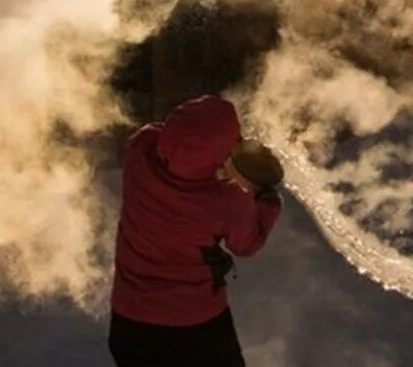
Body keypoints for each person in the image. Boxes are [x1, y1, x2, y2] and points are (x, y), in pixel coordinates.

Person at [109, 95, 284, 367]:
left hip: (129, 324)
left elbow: (178, 144)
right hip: (195, 328)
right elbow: (247, 243)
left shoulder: (140, 151)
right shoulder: (224, 199)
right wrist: (266, 200)